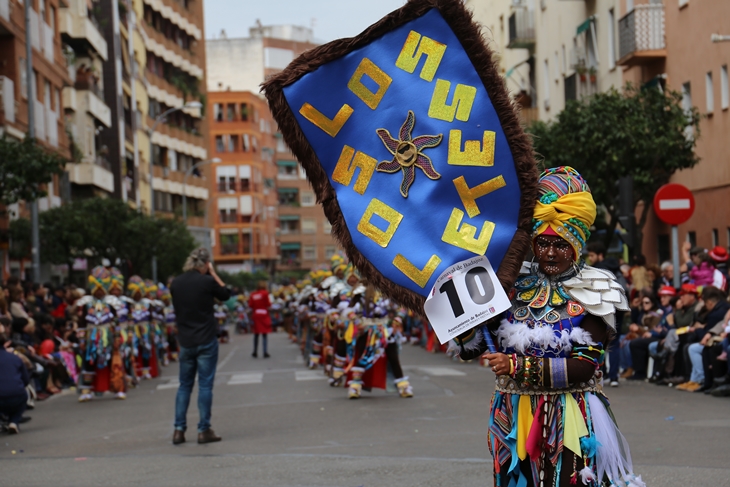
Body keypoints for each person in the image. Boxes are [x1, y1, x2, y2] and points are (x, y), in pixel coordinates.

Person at [454, 167, 642, 487]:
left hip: (570, 415)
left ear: (577, 244)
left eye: (561, 244)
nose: (550, 253)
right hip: (513, 413)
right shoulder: (510, 284)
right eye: (543, 243)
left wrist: (515, 364)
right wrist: (465, 325)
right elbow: (473, 349)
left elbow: (584, 366)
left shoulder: (596, 288)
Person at [170, 248, 230, 445]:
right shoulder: (207, 281)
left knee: (184, 385)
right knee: (205, 385)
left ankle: (178, 430)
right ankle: (204, 430)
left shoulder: (176, 283)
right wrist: (213, 274)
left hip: (186, 341)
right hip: (205, 339)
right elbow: (226, 295)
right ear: (206, 264)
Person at [0, 322, 31, 434]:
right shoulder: (15, 358)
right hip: (17, 394)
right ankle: (14, 421)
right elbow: (26, 380)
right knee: (22, 397)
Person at [248, 281, 272, 358]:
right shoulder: (265, 293)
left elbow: (250, 305)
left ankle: (255, 351)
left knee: (256, 333)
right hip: (264, 314)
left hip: (256, 314)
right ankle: (265, 352)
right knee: (264, 334)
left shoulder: (253, 294)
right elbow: (268, 304)